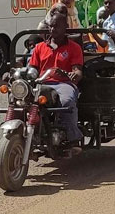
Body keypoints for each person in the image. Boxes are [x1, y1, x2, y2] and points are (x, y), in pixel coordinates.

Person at [28, 13, 84, 151]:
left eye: (57, 26)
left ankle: (72, 138)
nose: (53, 29)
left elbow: (78, 72)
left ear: (65, 27)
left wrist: (72, 74)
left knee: (66, 102)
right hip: (42, 83)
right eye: (51, 26)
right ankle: (27, 131)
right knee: (20, 98)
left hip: (64, 84)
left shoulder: (74, 47)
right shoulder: (39, 47)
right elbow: (32, 69)